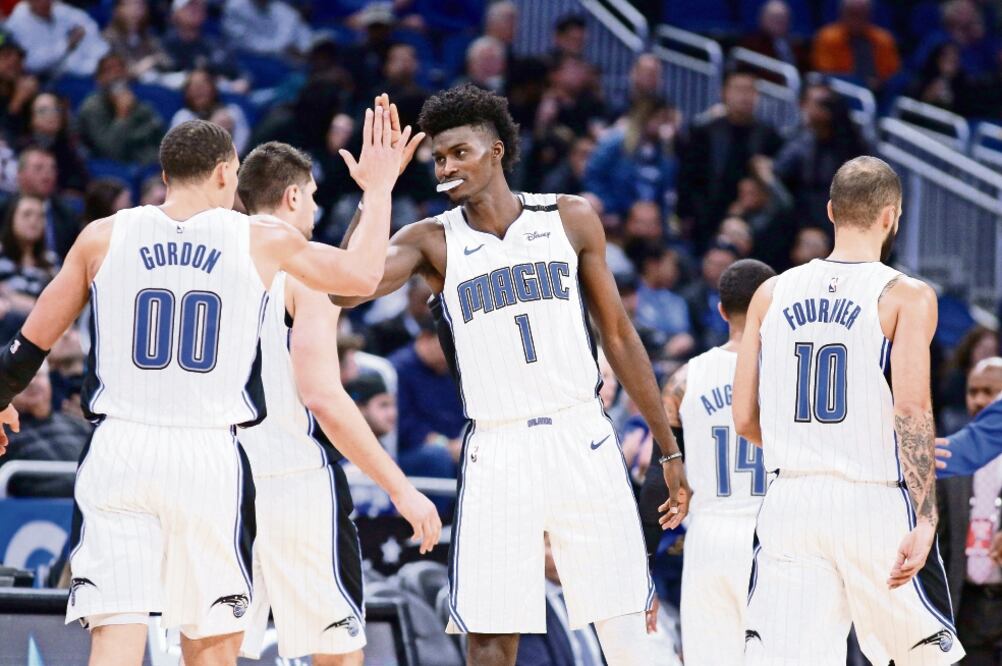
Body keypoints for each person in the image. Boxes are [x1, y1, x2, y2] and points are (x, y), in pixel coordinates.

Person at [0, 107, 414, 665]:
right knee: (213, 646)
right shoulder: (259, 237)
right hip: (207, 455)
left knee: (115, 641)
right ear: (225, 174)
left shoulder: (103, 235)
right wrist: (381, 189)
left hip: (118, 451)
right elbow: (363, 276)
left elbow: (29, 345)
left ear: (166, 175)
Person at [332, 83, 690, 666]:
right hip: (498, 445)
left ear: (496, 150)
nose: (446, 167)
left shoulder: (569, 217)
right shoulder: (431, 241)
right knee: (492, 640)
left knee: (628, 628)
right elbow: (347, 286)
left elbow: (621, 338)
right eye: (438, 158)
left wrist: (668, 451)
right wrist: (376, 194)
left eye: (459, 152)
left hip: (582, 434)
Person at [733, 156, 965, 664]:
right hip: (872, 501)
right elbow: (912, 409)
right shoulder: (906, 296)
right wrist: (926, 519)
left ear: (831, 211)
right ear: (892, 216)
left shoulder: (770, 293)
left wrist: (810, 452)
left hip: (790, 499)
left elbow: (744, 418)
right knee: (925, 657)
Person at [234, 135, 440, 664]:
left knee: (210, 648)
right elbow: (323, 395)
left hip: (217, 475)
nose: (318, 208)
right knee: (338, 652)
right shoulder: (303, 271)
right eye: (316, 196)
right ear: (295, 198)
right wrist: (401, 490)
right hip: (290, 480)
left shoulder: (210, 259)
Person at [638, 258, 776, 664]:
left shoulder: (684, 379)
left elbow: (656, 482)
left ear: (720, 311)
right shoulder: (793, 376)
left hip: (707, 540)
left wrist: (644, 571)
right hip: (773, 537)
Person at [936, 357, 1002, 665]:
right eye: (973, 391)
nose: (979, 400)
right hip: (968, 607)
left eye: (990, 391)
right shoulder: (953, 454)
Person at [77, 53, 165, 166]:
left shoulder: (137, 102)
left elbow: (159, 136)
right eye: (109, 70)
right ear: (99, 79)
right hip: (109, 168)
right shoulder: (92, 107)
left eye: (120, 68)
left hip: (146, 162)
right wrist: (122, 115)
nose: (116, 74)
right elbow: (111, 151)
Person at [5, 0, 109, 78]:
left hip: (88, 71)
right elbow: (31, 63)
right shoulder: (16, 23)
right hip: (48, 79)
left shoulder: (63, 11)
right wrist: (66, 45)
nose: (45, 2)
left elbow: (90, 31)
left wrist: (101, 63)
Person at [811, 0, 901, 90]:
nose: (857, 19)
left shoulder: (883, 39)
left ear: (869, 15)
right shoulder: (827, 37)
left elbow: (892, 72)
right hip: (840, 90)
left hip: (879, 91)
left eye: (862, 14)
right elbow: (827, 72)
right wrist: (860, 82)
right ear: (842, 14)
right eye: (852, 14)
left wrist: (879, 82)